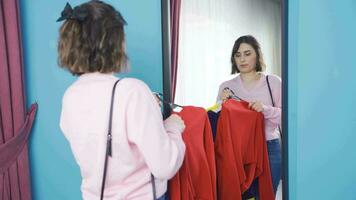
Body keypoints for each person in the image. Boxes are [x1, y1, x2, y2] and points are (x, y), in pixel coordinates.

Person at [57, 1, 186, 199]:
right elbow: (165, 166)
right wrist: (173, 128)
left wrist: (145, 106)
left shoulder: (70, 96)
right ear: (115, 43)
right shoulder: (133, 92)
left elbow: (98, 141)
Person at [216, 35, 282, 197]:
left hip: (269, 148)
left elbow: (286, 118)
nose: (242, 59)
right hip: (238, 152)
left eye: (247, 53)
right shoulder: (226, 87)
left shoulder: (272, 82)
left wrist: (265, 109)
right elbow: (218, 123)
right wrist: (221, 106)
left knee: (265, 196)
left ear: (257, 55)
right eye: (238, 55)